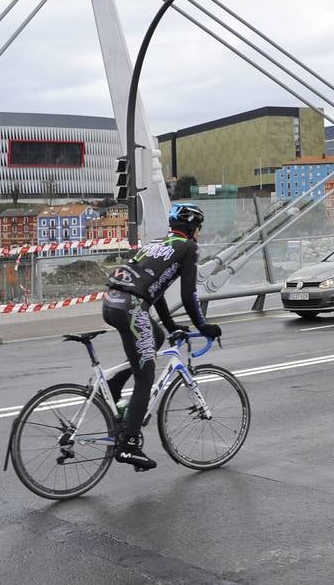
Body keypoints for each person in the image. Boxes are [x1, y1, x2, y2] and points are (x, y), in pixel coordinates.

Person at [102, 202, 222, 471]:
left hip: (112, 302)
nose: (200, 234)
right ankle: (129, 445)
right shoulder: (188, 248)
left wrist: (169, 327)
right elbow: (188, 296)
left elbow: (152, 291)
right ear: (193, 228)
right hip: (132, 308)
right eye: (199, 228)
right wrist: (203, 327)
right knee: (146, 376)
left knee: (154, 338)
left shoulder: (156, 244)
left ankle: (114, 385)